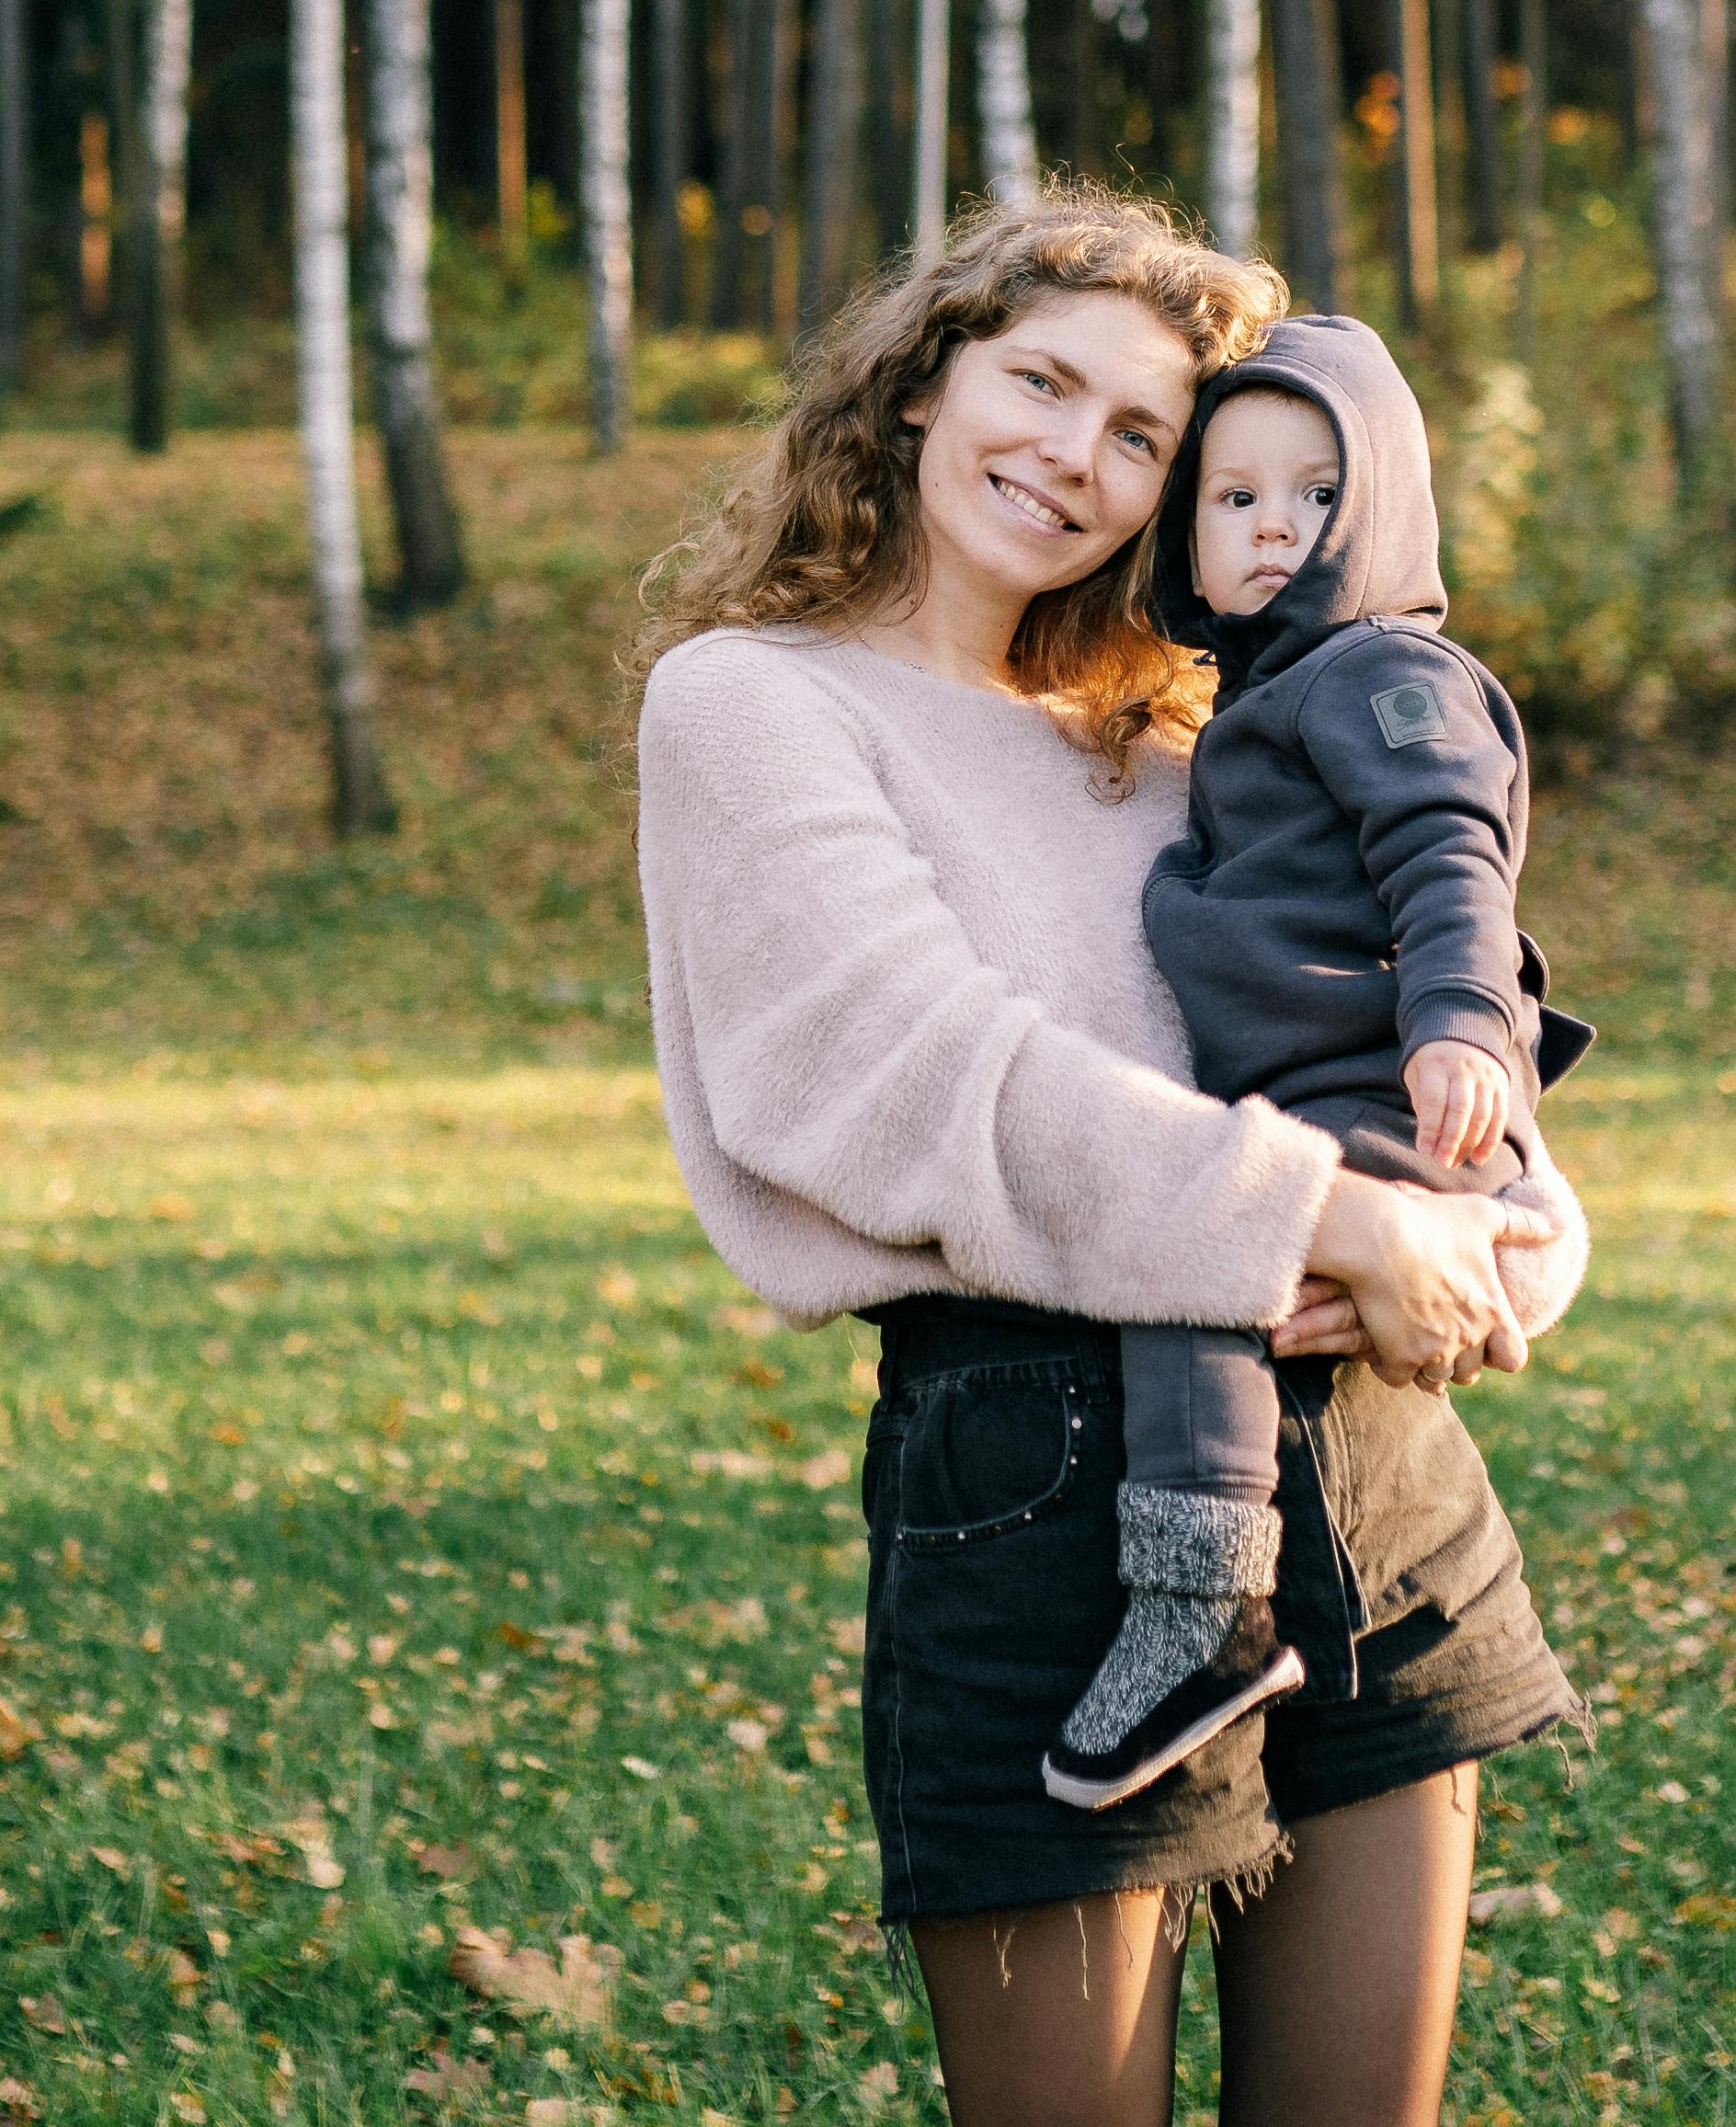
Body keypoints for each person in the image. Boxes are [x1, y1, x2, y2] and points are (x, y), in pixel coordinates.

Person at [636, 189, 1588, 2127]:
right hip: (1047, 1484)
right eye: (1041, 383)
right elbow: (914, 1076)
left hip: (1372, 1465)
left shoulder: (1185, 741)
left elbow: (1421, 1008)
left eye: (1141, 432)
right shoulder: (754, 701)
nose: (1075, 454)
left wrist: (1505, 1241)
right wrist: (1333, 1219)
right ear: (923, 385)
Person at [1047, 313, 1586, 1812]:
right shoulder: (1266, 698)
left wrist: (1462, 1022)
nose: (1275, 526)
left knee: (1200, 1252)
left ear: (1385, 512)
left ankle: (1201, 1604)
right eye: (1235, 498)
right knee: (1219, 1242)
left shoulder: (1381, 673)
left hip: (1379, 1083)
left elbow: (1449, 851)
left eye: (1319, 493)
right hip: (1314, 1085)